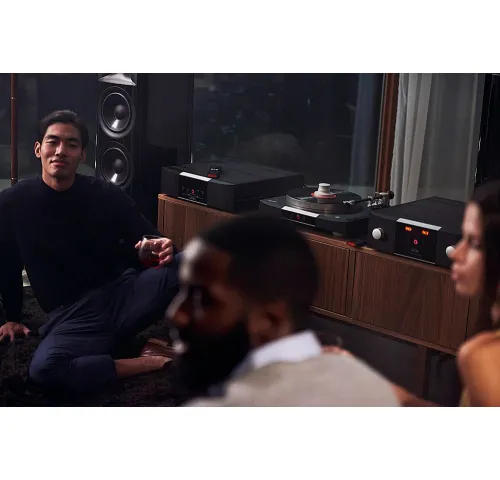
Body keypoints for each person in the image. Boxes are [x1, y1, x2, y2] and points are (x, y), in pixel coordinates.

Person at [0, 110, 179, 395]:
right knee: (44, 371)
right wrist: (12, 317)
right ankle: (147, 361)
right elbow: (7, 262)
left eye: (71, 144)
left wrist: (164, 247)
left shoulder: (106, 194)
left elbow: (149, 239)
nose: (61, 151)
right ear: (38, 149)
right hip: (72, 317)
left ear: (82, 155)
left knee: (195, 261)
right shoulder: (12, 202)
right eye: (53, 142)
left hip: (123, 296)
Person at [166, 214, 399, 406]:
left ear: (271, 319)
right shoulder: (373, 386)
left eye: (202, 300)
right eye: (182, 291)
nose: (175, 314)